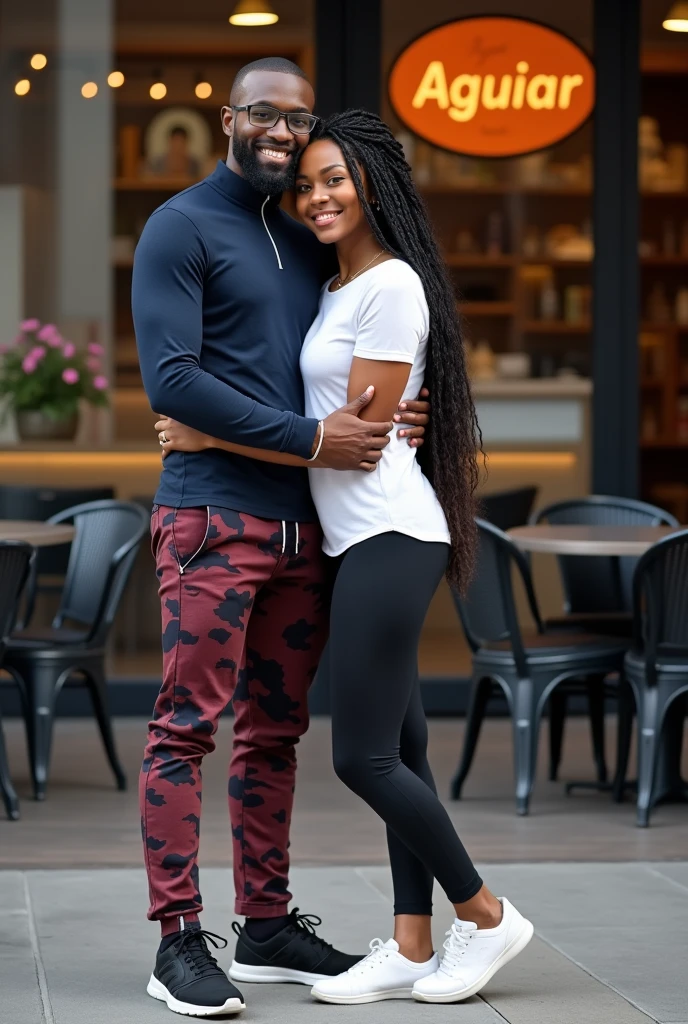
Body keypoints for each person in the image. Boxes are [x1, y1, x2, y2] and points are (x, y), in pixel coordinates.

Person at [157, 108, 534, 1008]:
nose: (317, 195)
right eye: (308, 182)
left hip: (387, 535)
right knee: (401, 746)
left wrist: (203, 434)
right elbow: (337, 420)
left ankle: (484, 916)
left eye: (335, 179)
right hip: (354, 538)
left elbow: (353, 440)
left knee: (359, 758)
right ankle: (410, 942)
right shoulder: (336, 286)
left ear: (374, 187)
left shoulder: (392, 283)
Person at [132, 57, 429, 1018]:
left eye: (298, 123)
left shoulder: (308, 241)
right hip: (213, 518)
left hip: (306, 529)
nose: (282, 133)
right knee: (186, 729)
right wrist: (313, 437)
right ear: (229, 117)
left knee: (275, 735)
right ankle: (179, 939)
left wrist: (398, 412)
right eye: (265, 114)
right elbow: (172, 382)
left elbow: (341, 367)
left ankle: (265, 926)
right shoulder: (180, 227)